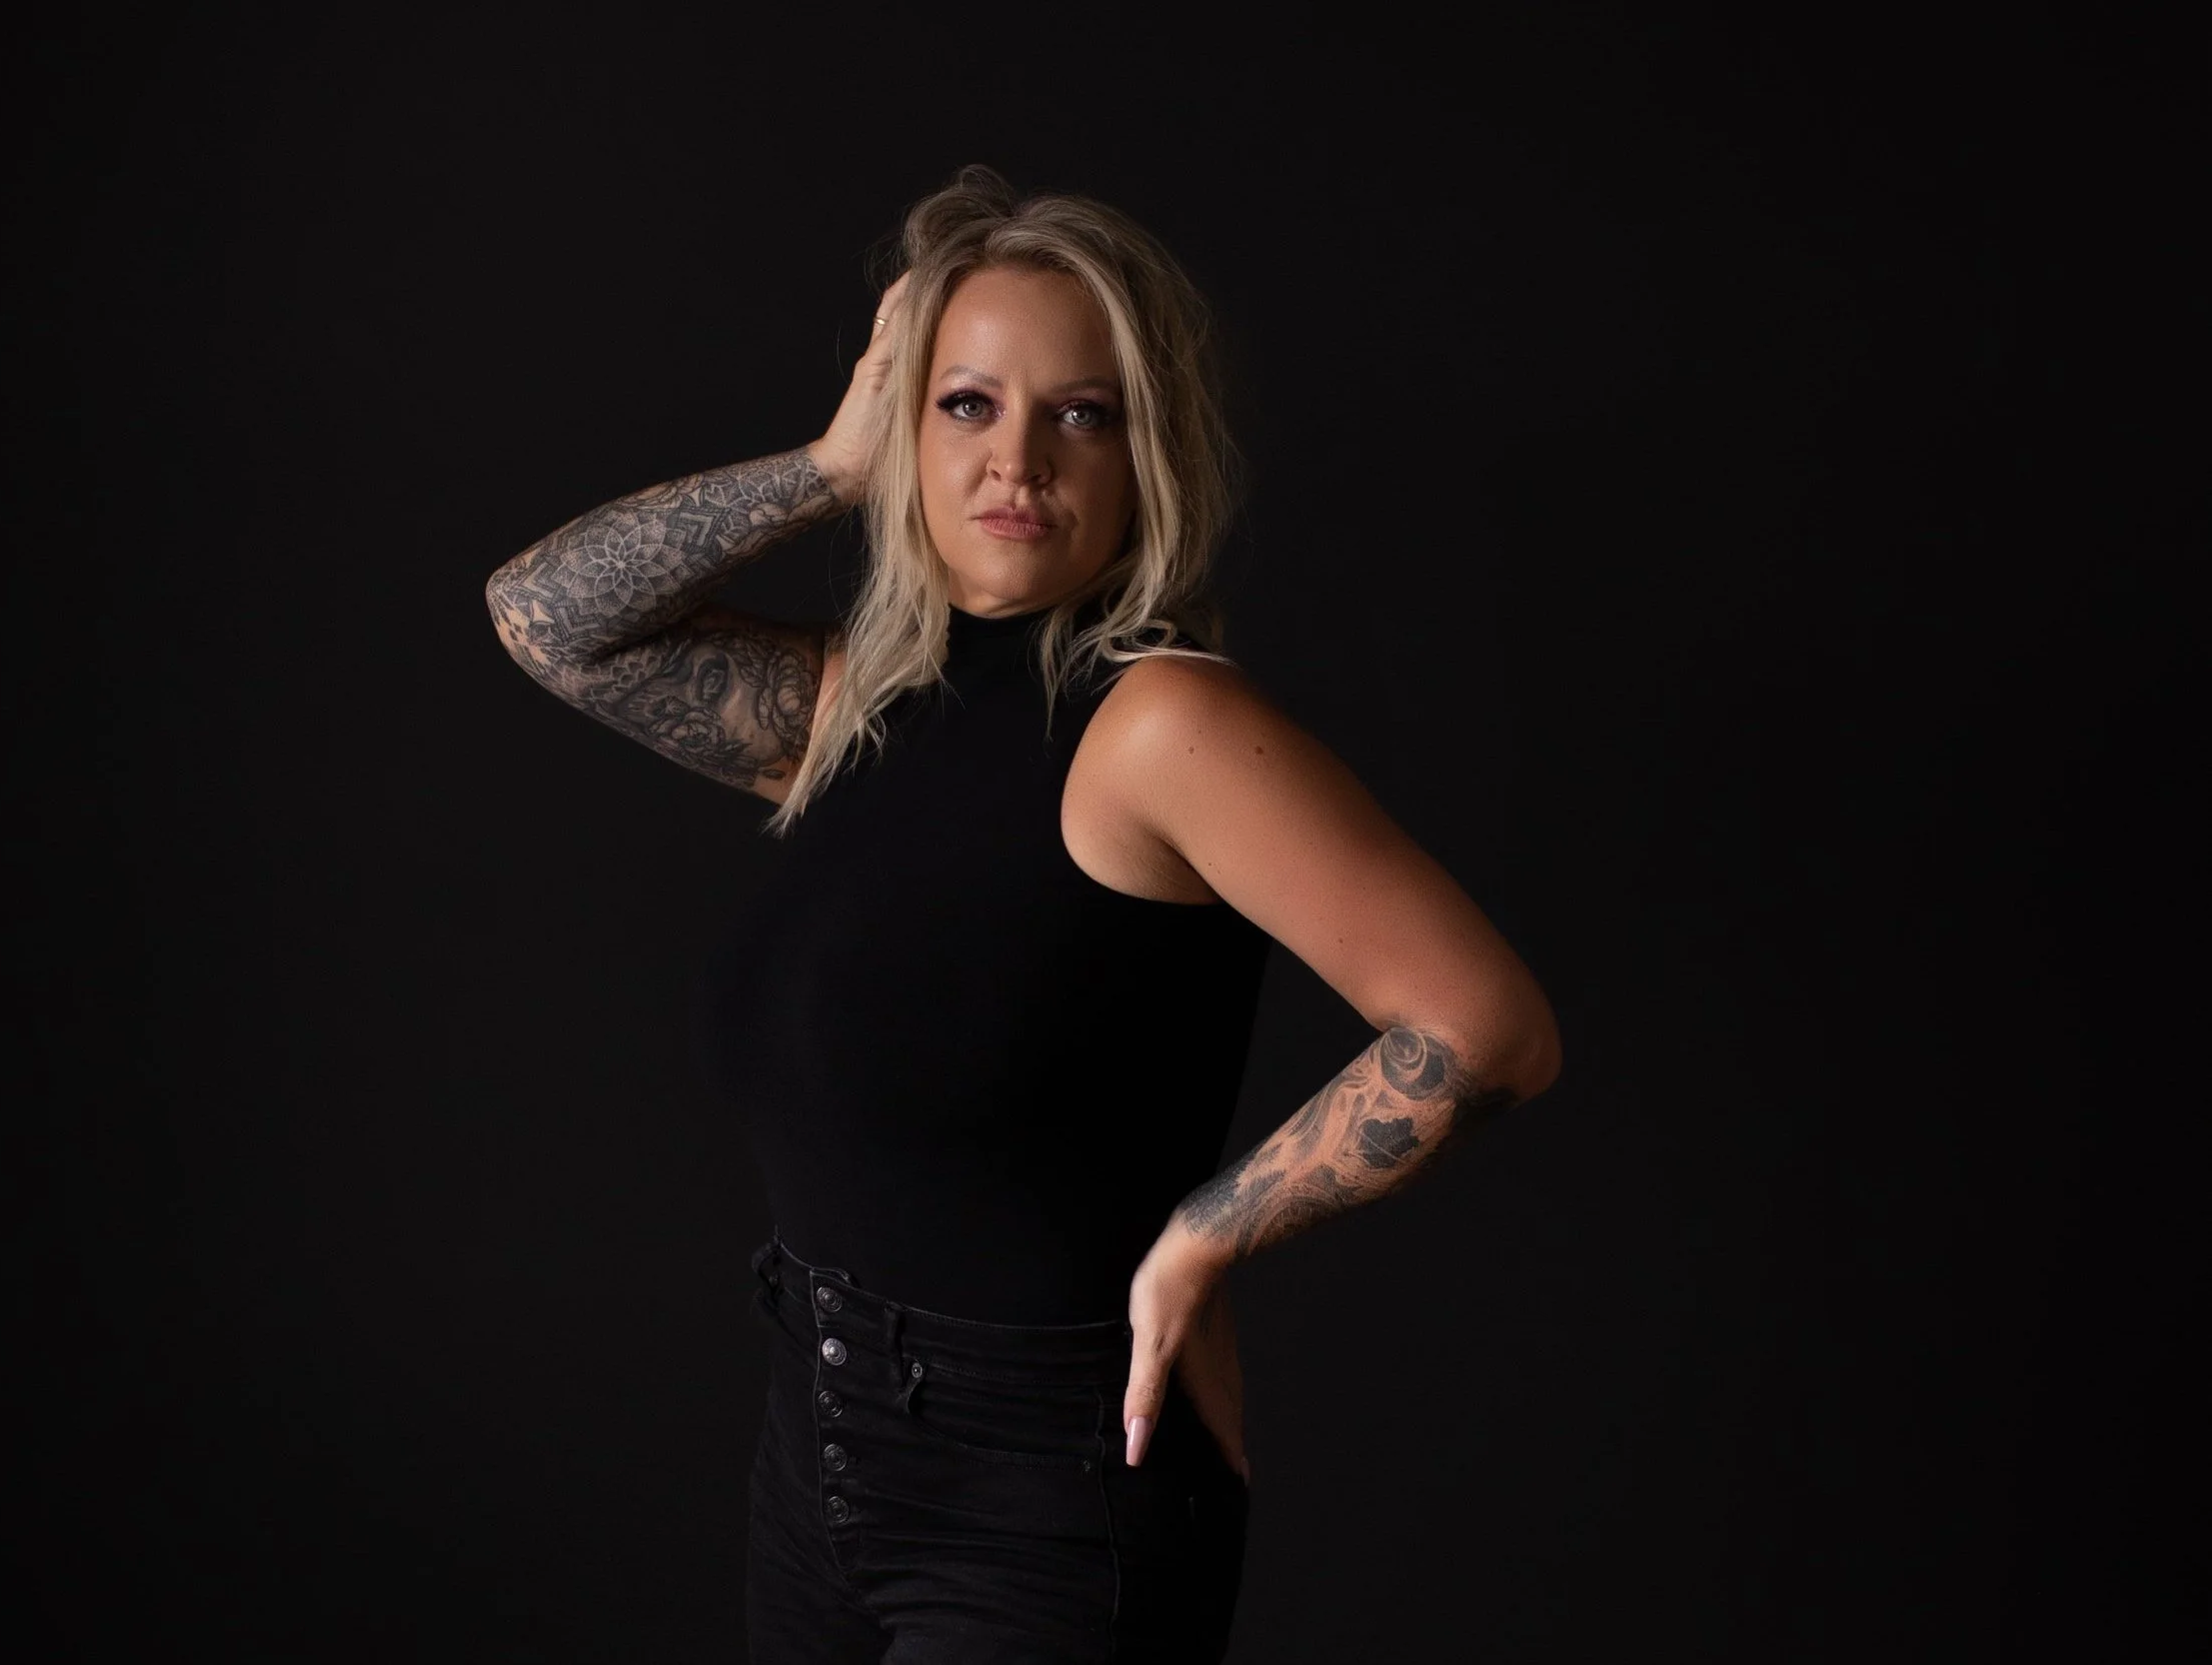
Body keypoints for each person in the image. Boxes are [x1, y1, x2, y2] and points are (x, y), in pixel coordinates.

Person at [484, 165, 1560, 1663]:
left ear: (1144, 451)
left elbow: (1485, 1027)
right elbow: (547, 616)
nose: (1018, 461)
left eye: (1082, 414)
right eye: (966, 404)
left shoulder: (1162, 724)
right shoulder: (859, 709)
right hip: (817, 1446)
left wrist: (1205, 1236)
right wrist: (830, 461)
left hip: (1042, 1488)